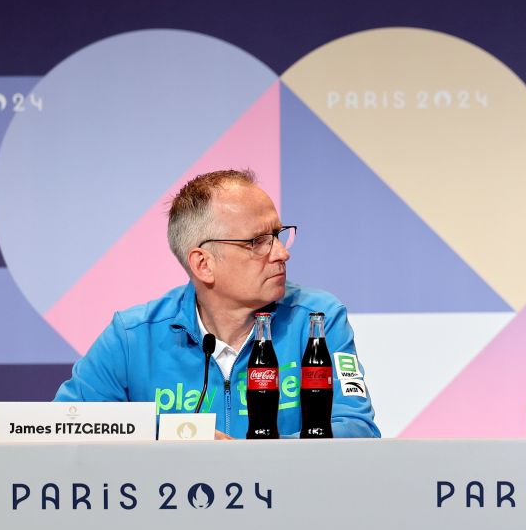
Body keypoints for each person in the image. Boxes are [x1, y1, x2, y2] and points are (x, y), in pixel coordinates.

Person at [56, 169, 379, 438]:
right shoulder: (131, 337)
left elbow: (356, 429)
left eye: (278, 236)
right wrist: (174, 440)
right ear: (203, 264)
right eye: (257, 242)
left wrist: (243, 459)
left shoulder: (316, 322)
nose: (282, 253)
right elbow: (64, 430)